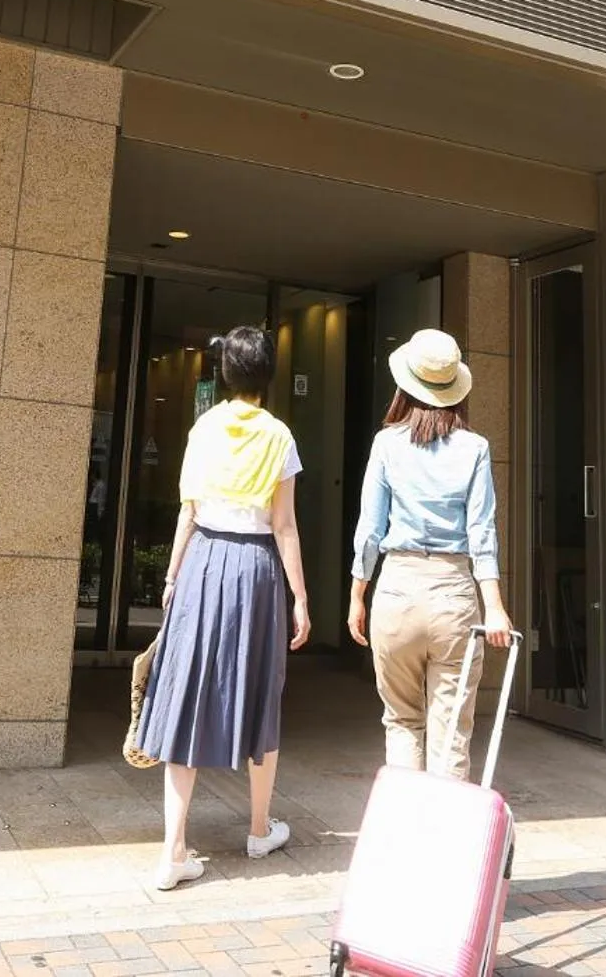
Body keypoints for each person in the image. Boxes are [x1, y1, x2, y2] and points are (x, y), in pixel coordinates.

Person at [133, 325, 311, 891]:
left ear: (224, 374)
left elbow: (188, 511)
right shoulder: (280, 436)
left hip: (204, 561)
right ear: (267, 376)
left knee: (183, 695)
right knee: (260, 689)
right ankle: (259, 829)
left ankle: (172, 853)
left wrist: (170, 575)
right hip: (256, 570)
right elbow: (284, 526)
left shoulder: (203, 428)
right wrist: (301, 597)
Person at [347, 328, 514, 779]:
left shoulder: (386, 443)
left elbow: (370, 526)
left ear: (406, 384)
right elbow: (482, 532)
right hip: (453, 596)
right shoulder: (475, 448)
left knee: (401, 722)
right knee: (451, 732)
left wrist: (357, 594)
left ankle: (407, 837)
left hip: (397, 590)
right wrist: (494, 607)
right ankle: (446, 843)